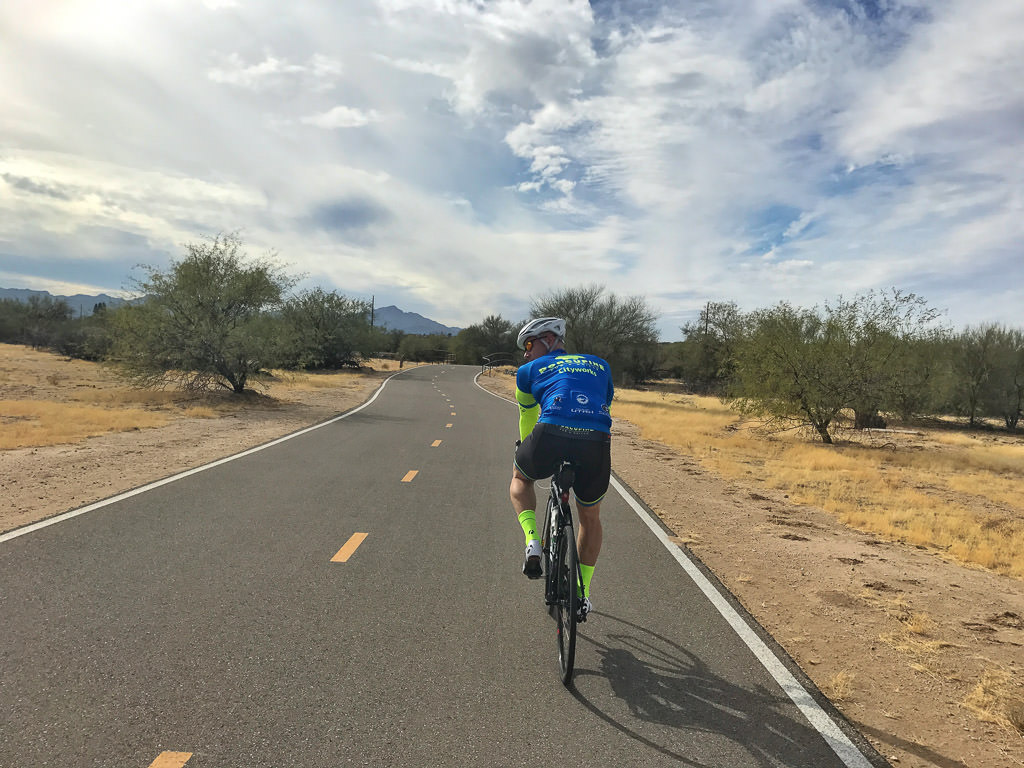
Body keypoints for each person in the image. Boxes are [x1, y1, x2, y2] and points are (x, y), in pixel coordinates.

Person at [509, 317, 613, 619]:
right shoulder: (600, 365)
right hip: (595, 439)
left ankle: (532, 541)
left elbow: (527, 419)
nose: (526, 354)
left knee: (520, 478)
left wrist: (523, 451)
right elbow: (602, 405)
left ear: (550, 340)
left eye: (529, 345)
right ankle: (582, 596)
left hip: (550, 432)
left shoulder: (527, 372)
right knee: (590, 517)